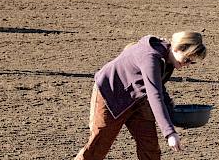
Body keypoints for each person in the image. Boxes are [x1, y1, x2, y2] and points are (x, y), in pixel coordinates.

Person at [74, 31, 207, 160]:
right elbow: (155, 95)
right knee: (99, 146)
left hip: (138, 98)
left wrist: (172, 111)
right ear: (178, 48)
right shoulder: (151, 57)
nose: (187, 65)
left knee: (150, 147)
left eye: (191, 62)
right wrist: (170, 133)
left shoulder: (169, 59)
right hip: (111, 96)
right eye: (187, 59)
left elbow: (158, 86)